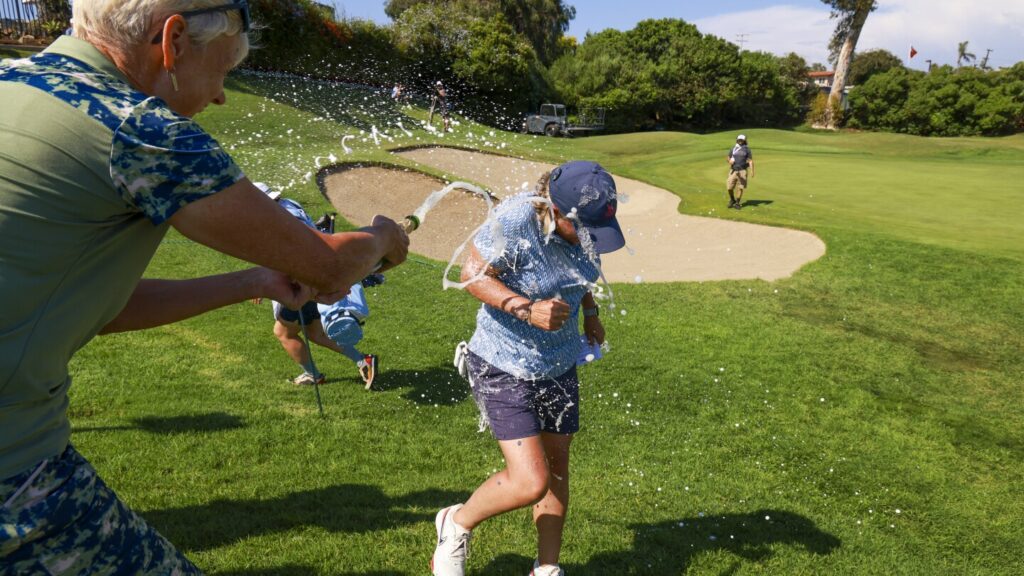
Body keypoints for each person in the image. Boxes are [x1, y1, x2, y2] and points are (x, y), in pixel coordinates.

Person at [0, 1, 408, 573]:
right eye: (221, 72)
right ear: (173, 42)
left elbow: (89, 306)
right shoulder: (138, 128)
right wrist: (385, 239)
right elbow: (329, 269)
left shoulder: (12, 82)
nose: (219, 97)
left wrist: (253, 282)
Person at [431, 161, 625, 576]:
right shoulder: (518, 220)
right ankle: (456, 523)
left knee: (557, 469)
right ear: (557, 212)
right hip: (502, 362)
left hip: (559, 362)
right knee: (529, 481)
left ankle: (546, 567)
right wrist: (526, 309)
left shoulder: (583, 227)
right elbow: (471, 275)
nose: (591, 241)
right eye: (584, 230)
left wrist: (588, 311)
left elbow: (580, 271)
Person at [726, 133, 755, 209]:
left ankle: (737, 203)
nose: (740, 141)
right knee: (729, 187)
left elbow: (750, 161)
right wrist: (729, 161)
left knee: (740, 187)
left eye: (742, 140)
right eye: (739, 139)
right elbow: (728, 157)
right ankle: (732, 200)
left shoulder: (747, 149)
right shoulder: (733, 148)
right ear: (737, 140)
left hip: (742, 171)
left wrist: (752, 171)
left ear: (744, 140)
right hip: (733, 170)